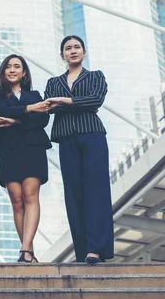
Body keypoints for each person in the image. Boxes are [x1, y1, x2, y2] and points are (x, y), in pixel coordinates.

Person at [44, 35, 113, 264]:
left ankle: (96, 248)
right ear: (62, 55)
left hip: (92, 136)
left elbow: (95, 100)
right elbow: (49, 107)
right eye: (68, 48)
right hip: (66, 139)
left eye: (76, 47)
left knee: (97, 191)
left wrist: (64, 101)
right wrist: (76, 102)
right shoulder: (53, 82)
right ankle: (83, 250)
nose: (72, 51)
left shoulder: (95, 76)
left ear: (84, 52)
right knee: (73, 194)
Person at [0, 54, 51, 263]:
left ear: (24, 72)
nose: (12, 70)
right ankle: (29, 253)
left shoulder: (34, 94)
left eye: (17, 66)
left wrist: (14, 120)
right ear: (3, 72)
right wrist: (30, 110)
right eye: (8, 67)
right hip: (8, 149)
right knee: (16, 201)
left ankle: (24, 249)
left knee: (30, 196)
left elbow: (42, 120)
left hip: (33, 148)